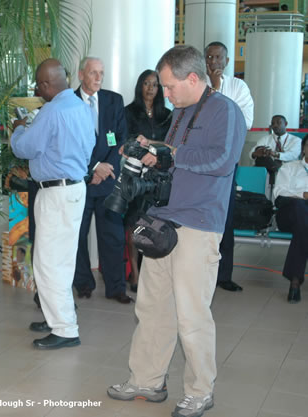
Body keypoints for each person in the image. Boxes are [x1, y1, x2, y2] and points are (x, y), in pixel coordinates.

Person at [107, 45, 246, 417]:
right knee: (152, 308)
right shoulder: (182, 113)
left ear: (192, 78)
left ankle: (200, 391)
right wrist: (150, 150)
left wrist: (171, 153)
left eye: (169, 86)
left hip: (199, 225)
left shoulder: (225, 111)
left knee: (192, 314)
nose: (164, 94)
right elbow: (173, 154)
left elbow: (222, 160)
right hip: (164, 221)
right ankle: (147, 380)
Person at [11, 58, 95, 350]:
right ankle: (55, 316)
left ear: (47, 84)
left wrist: (18, 128)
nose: (36, 88)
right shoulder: (81, 107)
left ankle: (65, 329)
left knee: (48, 263)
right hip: (73, 190)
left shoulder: (51, 111)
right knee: (62, 259)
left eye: (38, 83)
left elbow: (25, 148)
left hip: (55, 194)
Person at [72, 57, 132, 304]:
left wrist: (103, 169)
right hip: (81, 181)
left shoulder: (113, 100)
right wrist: (93, 168)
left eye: (101, 73)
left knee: (113, 236)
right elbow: (69, 142)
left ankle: (116, 287)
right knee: (78, 236)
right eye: (93, 73)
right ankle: (83, 283)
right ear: (81, 75)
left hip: (107, 181)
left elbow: (120, 138)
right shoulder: (68, 102)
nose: (98, 78)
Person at [205, 40, 255, 293]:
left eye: (218, 58)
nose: (214, 62)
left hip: (227, 164)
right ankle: (203, 274)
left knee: (226, 218)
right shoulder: (197, 85)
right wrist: (212, 90)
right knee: (201, 218)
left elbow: (244, 122)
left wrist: (217, 94)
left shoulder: (238, 86)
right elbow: (196, 121)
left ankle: (224, 275)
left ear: (227, 61)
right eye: (209, 58)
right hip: (200, 164)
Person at [124, 69, 172, 291]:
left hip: (161, 176)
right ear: (139, 86)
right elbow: (127, 142)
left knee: (155, 224)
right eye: (146, 83)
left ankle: (152, 276)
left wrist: (151, 144)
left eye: (155, 84)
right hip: (136, 173)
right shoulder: (128, 112)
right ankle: (134, 273)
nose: (151, 88)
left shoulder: (168, 115)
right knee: (134, 224)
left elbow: (170, 146)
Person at [272, 136, 307, 304]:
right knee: (300, 209)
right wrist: (303, 195)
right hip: (289, 213)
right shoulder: (290, 167)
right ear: (304, 149)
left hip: (302, 223)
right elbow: (278, 193)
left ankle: (295, 280)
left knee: (304, 226)